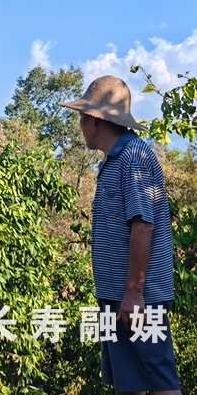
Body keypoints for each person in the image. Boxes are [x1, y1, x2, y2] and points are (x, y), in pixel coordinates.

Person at [60, 75, 181, 395]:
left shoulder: (133, 158)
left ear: (95, 120)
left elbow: (144, 225)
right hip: (118, 297)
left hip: (138, 300)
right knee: (129, 384)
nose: (81, 124)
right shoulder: (114, 162)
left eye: (82, 117)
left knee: (159, 381)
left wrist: (134, 293)